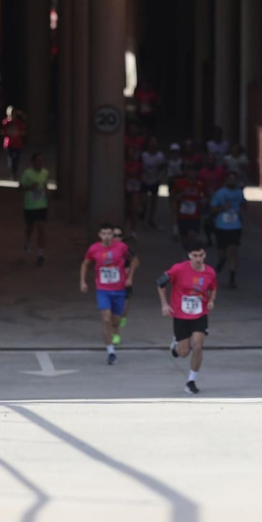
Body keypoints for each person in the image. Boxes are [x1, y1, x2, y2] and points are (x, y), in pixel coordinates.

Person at [160, 240, 217, 395]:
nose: (198, 259)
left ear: (205, 254)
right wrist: (165, 304)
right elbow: (160, 283)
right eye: (195, 255)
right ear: (189, 256)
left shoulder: (210, 272)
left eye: (201, 255)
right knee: (184, 352)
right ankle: (176, 344)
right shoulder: (178, 269)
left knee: (198, 345)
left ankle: (191, 380)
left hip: (200, 313)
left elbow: (213, 288)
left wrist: (211, 301)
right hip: (181, 314)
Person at [80, 223, 138, 365]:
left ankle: (114, 332)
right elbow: (85, 263)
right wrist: (82, 281)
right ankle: (111, 351)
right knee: (105, 318)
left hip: (119, 289)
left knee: (115, 321)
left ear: (113, 235)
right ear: (99, 235)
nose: (106, 237)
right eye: (104, 234)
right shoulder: (93, 249)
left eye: (109, 234)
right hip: (103, 289)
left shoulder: (122, 247)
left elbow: (135, 260)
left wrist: (130, 277)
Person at [209, 173, 246, 287]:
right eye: (229, 179)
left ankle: (232, 278)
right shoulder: (220, 193)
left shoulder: (239, 192)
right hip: (221, 226)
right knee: (222, 253)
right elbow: (212, 208)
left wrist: (241, 211)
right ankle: (221, 261)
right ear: (225, 181)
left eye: (234, 179)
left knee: (233, 252)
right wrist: (221, 208)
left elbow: (244, 204)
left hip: (235, 226)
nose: (232, 181)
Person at [20, 152, 51, 265]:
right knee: (29, 228)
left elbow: (46, 185)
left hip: (41, 205)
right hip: (30, 206)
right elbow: (20, 188)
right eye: (37, 161)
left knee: (41, 230)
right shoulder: (27, 174)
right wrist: (30, 187)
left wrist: (48, 194)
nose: (40, 163)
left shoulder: (45, 173)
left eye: (41, 161)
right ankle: (28, 240)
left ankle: (40, 254)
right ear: (33, 162)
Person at [173, 171, 209, 250]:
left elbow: (205, 197)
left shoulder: (200, 185)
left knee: (191, 236)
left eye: (194, 172)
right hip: (182, 215)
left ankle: (191, 254)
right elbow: (174, 198)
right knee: (184, 240)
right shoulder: (180, 183)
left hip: (195, 216)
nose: (192, 174)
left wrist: (203, 201)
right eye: (190, 171)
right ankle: (186, 252)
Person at [140, 137, 167, 228]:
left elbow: (163, 168)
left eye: (154, 143)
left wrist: (160, 177)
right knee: (144, 200)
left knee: (153, 201)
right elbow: (140, 167)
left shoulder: (160, 156)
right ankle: (143, 210)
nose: (153, 145)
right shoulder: (144, 155)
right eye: (151, 143)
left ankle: (151, 218)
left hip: (155, 180)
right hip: (145, 180)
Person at [1, 105, 27, 177]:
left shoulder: (19, 123)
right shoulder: (5, 122)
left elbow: (23, 131)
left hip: (18, 144)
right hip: (8, 144)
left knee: (16, 159)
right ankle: (13, 173)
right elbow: (2, 131)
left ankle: (15, 171)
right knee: (11, 160)